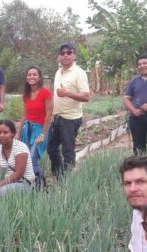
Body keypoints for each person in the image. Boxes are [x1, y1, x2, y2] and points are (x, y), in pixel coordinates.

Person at [46, 42, 90, 180]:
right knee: (52, 148)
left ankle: (66, 181)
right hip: (58, 117)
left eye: (69, 52)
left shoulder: (79, 73)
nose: (65, 55)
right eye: (62, 53)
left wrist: (67, 93)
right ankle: (58, 175)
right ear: (59, 56)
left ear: (74, 55)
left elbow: (86, 96)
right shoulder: (58, 72)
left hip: (70, 119)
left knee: (68, 151)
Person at [17, 66, 53, 187]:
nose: (31, 77)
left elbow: (49, 114)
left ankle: (41, 186)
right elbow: (24, 115)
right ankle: (30, 184)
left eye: (34, 74)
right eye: (29, 75)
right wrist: (18, 133)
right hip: (27, 129)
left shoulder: (45, 92)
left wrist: (42, 134)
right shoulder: (26, 94)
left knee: (32, 158)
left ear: (39, 77)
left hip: (40, 129)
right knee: (25, 158)